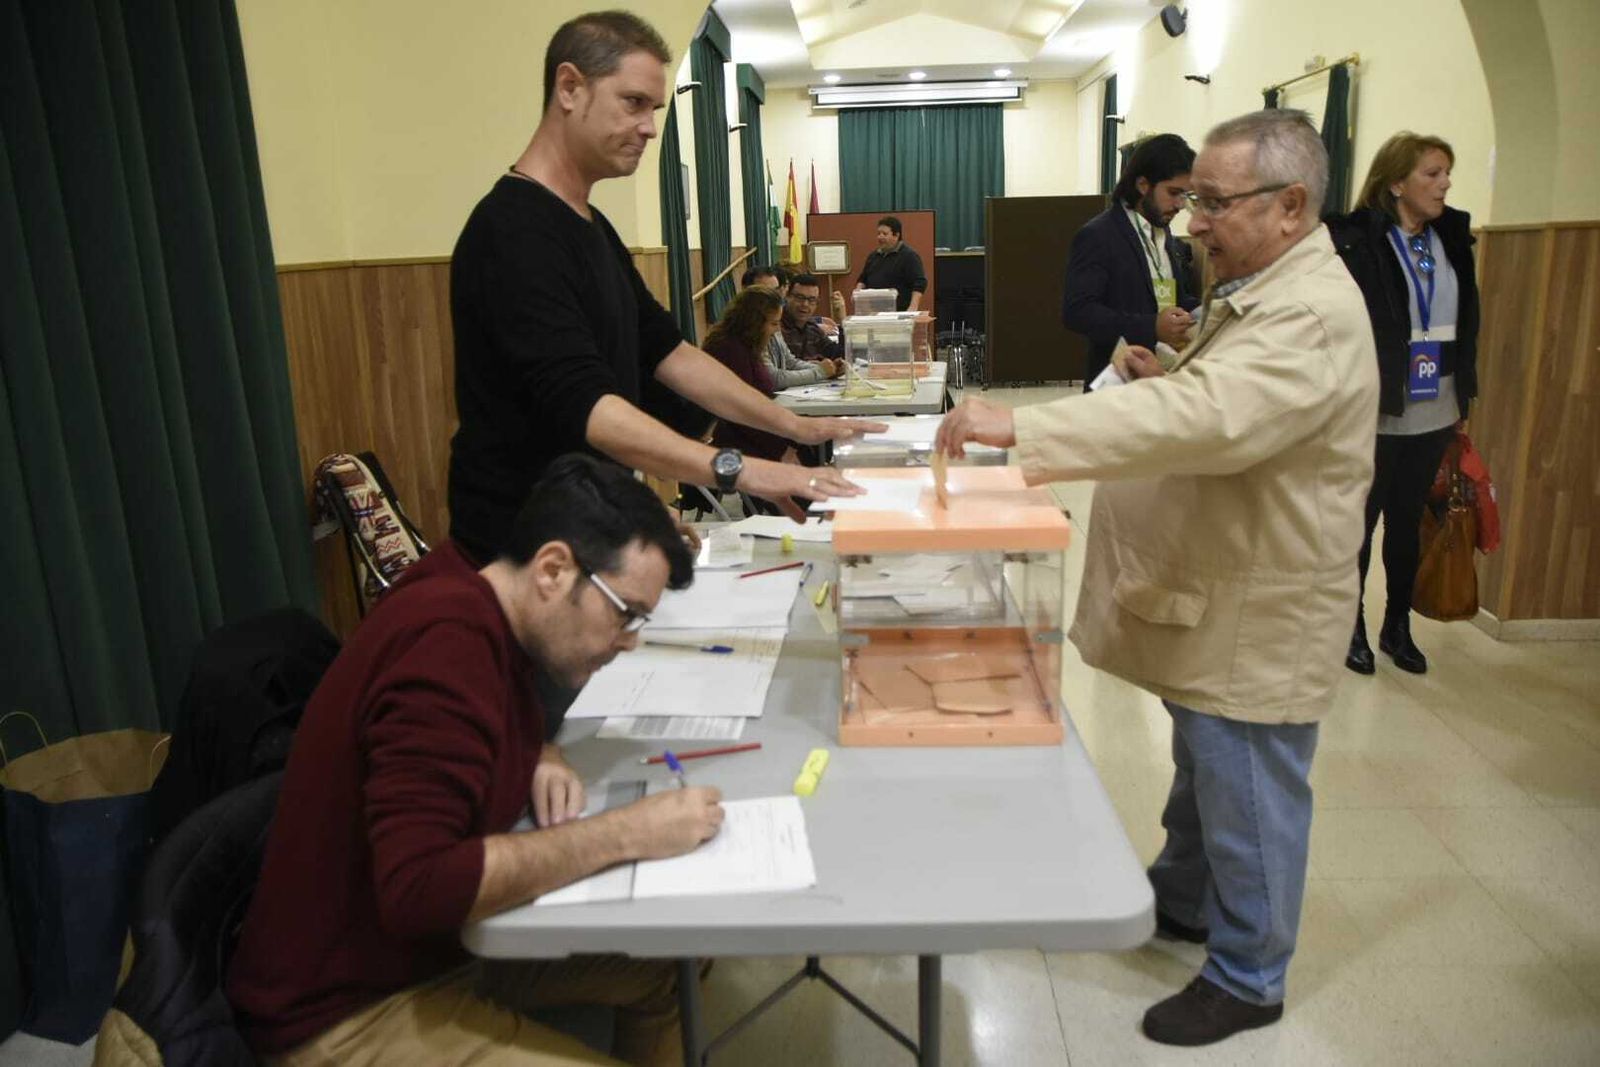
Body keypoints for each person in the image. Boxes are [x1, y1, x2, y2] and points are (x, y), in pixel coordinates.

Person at [936, 110, 1377, 1047]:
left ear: (1290, 204)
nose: (1195, 222)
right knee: (1202, 759)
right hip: (1227, 583)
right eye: (1195, 200)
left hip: (1265, 599)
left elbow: (1215, 420)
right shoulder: (1266, 285)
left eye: (1216, 203)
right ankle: (1184, 898)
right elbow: (1223, 398)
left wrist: (1026, 429)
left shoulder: (1308, 310)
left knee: (1249, 782)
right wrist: (1166, 363)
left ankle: (1250, 973)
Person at [227, 454, 725, 1066]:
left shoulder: (479, 602)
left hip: (432, 952)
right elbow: (418, 887)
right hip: (342, 1009)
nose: (629, 640)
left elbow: (470, 726)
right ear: (552, 569)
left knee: (672, 965)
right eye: (625, 613)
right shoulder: (447, 648)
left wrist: (536, 750)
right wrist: (626, 833)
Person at [447, 11, 877, 562]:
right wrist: (740, 469)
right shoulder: (512, 231)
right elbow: (588, 407)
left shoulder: (589, 224)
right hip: (523, 544)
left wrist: (794, 425)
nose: (651, 127)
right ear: (570, 87)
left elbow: (671, 352)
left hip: (586, 523)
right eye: (634, 103)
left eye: (655, 108)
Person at [1328, 133, 1479, 675]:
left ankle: (1398, 626)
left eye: (1447, 173)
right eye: (1432, 174)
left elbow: (1466, 321)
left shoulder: (1452, 238)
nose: (1444, 184)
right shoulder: (1357, 241)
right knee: (1361, 524)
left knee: (1410, 521)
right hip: (1376, 404)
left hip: (1435, 403)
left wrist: (1465, 393)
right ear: (1396, 183)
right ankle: (1351, 627)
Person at [1061, 133, 1202, 389]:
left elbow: (1172, 297)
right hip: (1115, 386)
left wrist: (1201, 313)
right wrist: (1151, 327)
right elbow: (1077, 312)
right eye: (1173, 193)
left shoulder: (1164, 233)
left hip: (1163, 380)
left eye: (1186, 195)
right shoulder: (1097, 235)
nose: (1180, 205)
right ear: (1143, 185)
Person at [703, 287, 798, 462]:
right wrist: (781, 450)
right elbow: (743, 412)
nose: (777, 330)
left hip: (753, 435)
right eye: (774, 324)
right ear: (755, 322)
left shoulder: (744, 345)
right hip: (739, 445)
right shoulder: (730, 350)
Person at [741, 265, 842, 385]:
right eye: (764, 292)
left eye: (775, 291)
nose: (805, 304)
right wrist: (820, 372)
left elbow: (790, 362)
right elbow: (773, 379)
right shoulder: (746, 329)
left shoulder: (776, 323)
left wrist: (830, 369)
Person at [854, 216, 927, 311]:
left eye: (884, 234)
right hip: (874, 312)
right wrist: (857, 292)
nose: (880, 237)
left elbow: (919, 283)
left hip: (899, 311)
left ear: (896, 235)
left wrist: (913, 306)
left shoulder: (909, 256)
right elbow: (863, 278)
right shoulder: (873, 256)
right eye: (878, 233)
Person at [782, 272, 847, 363]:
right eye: (800, 298)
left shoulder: (812, 329)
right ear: (787, 296)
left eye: (812, 300)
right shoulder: (776, 327)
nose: (805, 304)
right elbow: (785, 367)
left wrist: (842, 321)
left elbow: (840, 355)